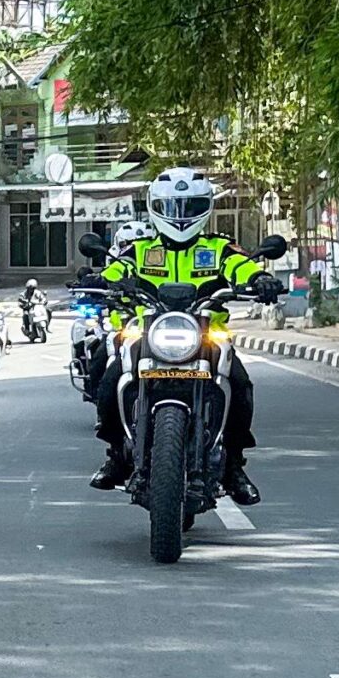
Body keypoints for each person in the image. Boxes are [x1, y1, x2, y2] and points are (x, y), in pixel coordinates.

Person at [89, 167, 277, 505]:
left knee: (240, 386)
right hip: (148, 328)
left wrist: (260, 278)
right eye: (172, 207)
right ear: (155, 208)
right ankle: (117, 454)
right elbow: (117, 269)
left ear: (203, 209)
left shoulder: (219, 248)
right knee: (110, 381)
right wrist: (100, 279)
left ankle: (234, 465)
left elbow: (242, 266)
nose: (180, 216)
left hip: (207, 331)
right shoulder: (141, 250)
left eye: (188, 208)